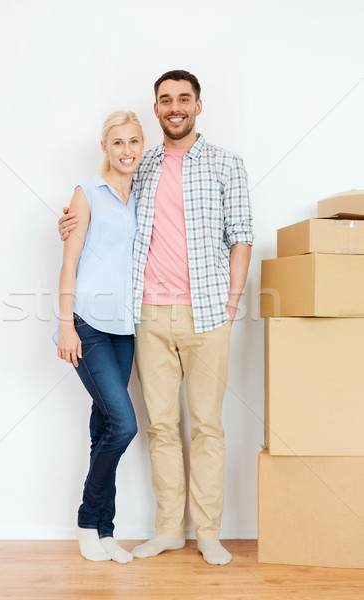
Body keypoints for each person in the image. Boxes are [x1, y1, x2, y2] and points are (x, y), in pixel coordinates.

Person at [59, 70, 253, 566]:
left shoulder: (227, 164)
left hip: (207, 313)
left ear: (198, 106)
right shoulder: (139, 167)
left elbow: (242, 236)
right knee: (161, 428)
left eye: (183, 99)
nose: (174, 107)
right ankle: (169, 529)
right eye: (165, 100)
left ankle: (208, 532)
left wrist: (230, 305)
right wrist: (70, 220)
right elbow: (103, 207)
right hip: (144, 316)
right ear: (156, 109)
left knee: (207, 426)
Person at [54, 110, 145, 563]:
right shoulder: (87, 192)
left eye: (134, 142)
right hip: (87, 323)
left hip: (126, 328)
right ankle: (89, 521)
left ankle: (105, 532)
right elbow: (69, 263)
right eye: (118, 143)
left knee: (104, 427)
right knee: (124, 424)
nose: (126, 151)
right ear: (105, 147)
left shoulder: (143, 195)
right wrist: (66, 324)